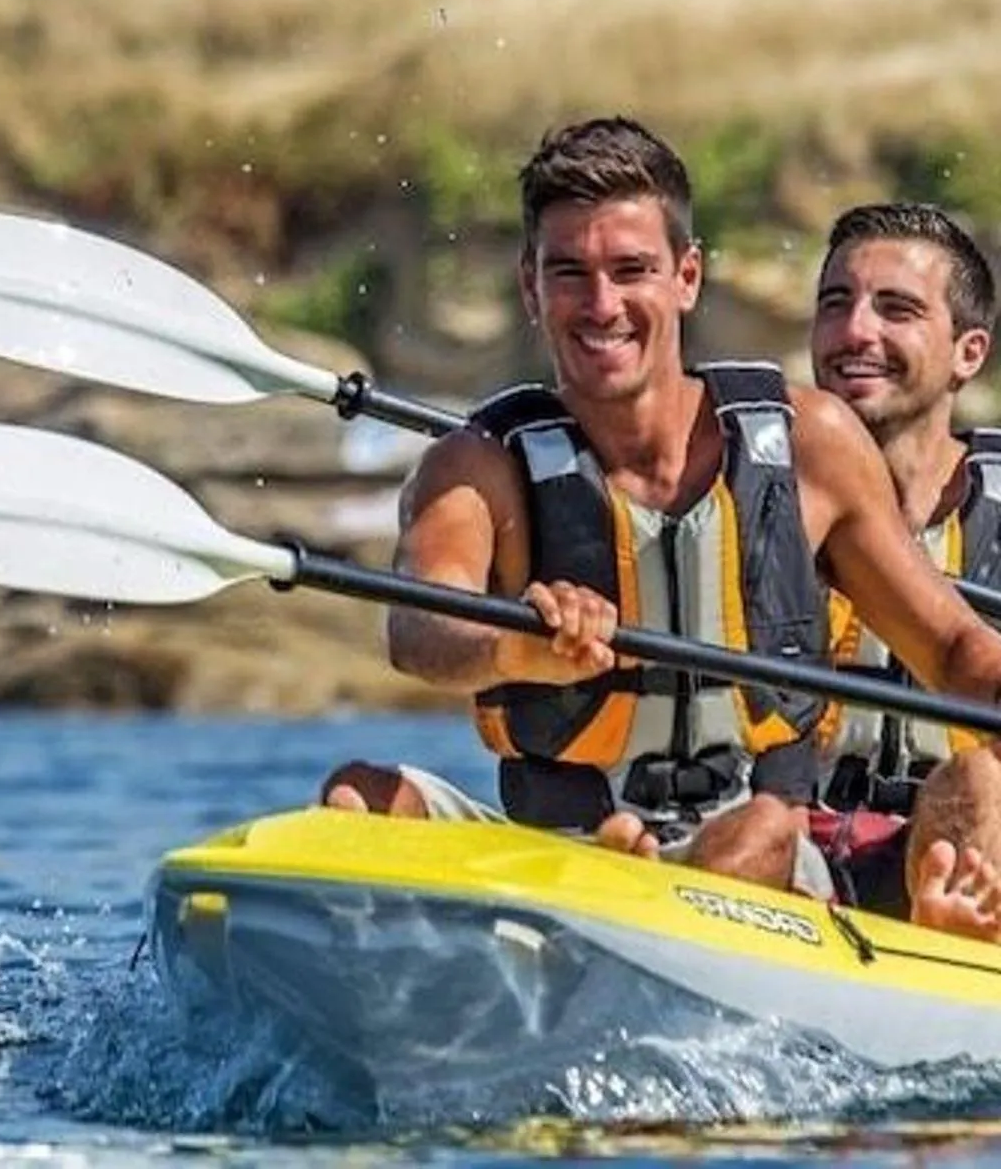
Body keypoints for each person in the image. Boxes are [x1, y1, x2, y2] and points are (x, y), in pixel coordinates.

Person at [320, 116, 1001, 937]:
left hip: (757, 861)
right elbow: (420, 627)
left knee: (784, 827)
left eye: (631, 270)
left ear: (686, 276)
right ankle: (606, 879)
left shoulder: (810, 442)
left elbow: (955, 651)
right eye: (569, 273)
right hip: (558, 852)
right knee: (357, 797)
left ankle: (934, 929)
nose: (601, 304)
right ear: (531, 289)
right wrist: (514, 648)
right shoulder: (476, 464)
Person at [807, 202, 1001, 938]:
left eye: (897, 310)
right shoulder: (750, 487)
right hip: (789, 844)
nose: (856, 332)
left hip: (971, 850)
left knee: (978, 780)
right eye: (836, 304)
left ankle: (951, 932)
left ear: (968, 353)